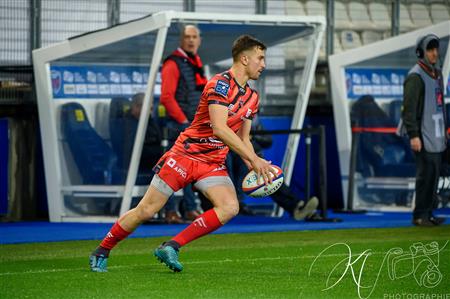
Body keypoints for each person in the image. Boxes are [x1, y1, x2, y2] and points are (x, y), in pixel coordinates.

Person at [89, 35, 276, 272]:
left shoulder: (253, 97)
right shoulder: (219, 84)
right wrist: (254, 159)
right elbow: (219, 128)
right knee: (147, 210)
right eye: (260, 58)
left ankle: (171, 246)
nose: (263, 64)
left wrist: (253, 163)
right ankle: (102, 249)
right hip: (185, 156)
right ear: (244, 58)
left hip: (213, 162)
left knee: (229, 207)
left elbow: (243, 138)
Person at [219, 115, 318, 220]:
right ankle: (234, 203)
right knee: (229, 162)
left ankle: (295, 206)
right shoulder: (222, 111)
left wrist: (253, 141)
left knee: (269, 175)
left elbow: (266, 140)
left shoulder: (251, 115)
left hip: (249, 155)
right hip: (225, 153)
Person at [160, 24, 207, 223]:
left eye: (194, 36)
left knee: (189, 170)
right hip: (178, 126)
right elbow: (167, 97)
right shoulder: (173, 63)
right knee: (171, 171)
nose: (191, 40)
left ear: (199, 40)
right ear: (181, 39)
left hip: (192, 126)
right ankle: (170, 211)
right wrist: (184, 122)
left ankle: (189, 208)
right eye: (187, 36)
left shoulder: (196, 62)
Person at [401, 34, 447, 227]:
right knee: (425, 176)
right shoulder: (415, 76)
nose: (434, 53)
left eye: (436, 49)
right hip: (423, 134)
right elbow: (409, 109)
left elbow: (440, 105)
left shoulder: (437, 74)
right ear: (421, 52)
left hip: (436, 134)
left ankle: (428, 213)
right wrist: (413, 135)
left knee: (434, 176)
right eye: (430, 49)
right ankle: (419, 215)